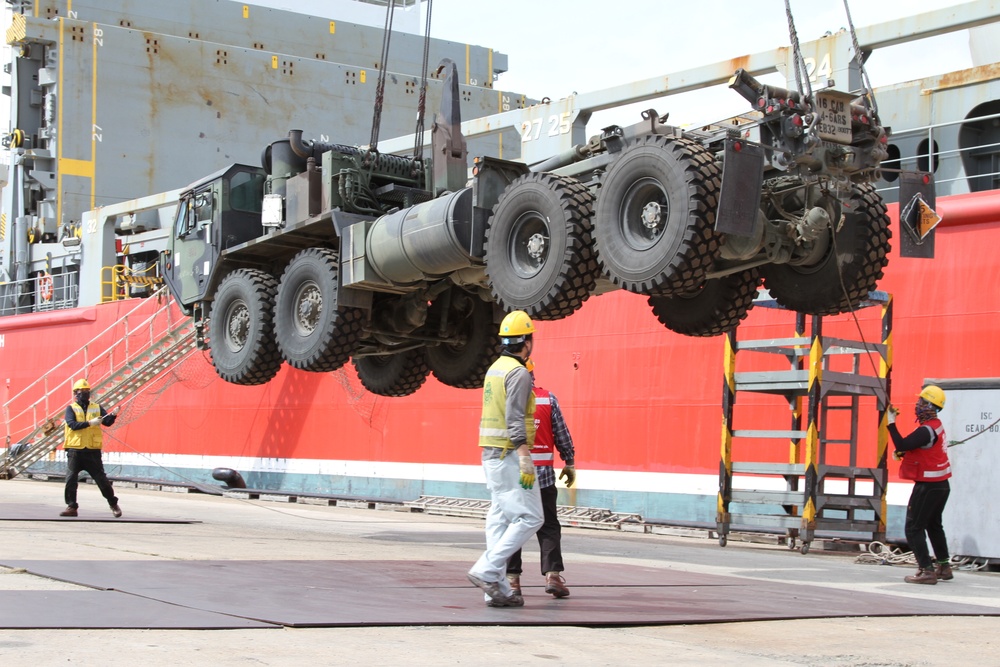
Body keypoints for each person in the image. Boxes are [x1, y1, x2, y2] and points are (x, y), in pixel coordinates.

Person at [467, 311, 543, 608]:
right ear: (527, 342)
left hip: (491, 453)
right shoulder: (519, 372)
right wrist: (524, 454)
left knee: (498, 518)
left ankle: (495, 589)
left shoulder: (495, 368)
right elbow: (514, 415)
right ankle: (486, 569)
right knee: (531, 517)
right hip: (509, 453)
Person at [504, 373, 576, 598]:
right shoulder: (548, 398)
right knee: (549, 526)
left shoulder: (506, 399)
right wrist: (569, 461)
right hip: (543, 476)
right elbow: (561, 433)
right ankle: (552, 576)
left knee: (515, 525)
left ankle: (512, 580)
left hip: (515, 477)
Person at [887, 385, 952, 585]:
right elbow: (921, 449)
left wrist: (891, 423)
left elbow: (903, 444)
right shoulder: (936, 425)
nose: (917, 405)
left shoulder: (926, 430)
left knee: (913, 527)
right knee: (933, 525)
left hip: (928, 486)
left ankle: (926, 570)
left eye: (921, 401)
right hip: (942, 486)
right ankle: (943, 566)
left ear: (929, 405)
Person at [60, 379, 121, 518]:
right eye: (82, 391)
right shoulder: (71, 408)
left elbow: (107, 422)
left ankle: (113, 504)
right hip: (75, 450)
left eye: (87, 391)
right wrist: (90, 423)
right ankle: (71, 507)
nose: (85, 394)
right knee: (71, 479)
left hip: (92, 451)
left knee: (101, 480)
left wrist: (113, 414)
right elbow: (72, 424)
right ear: (76, 393)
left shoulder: (97, 407)